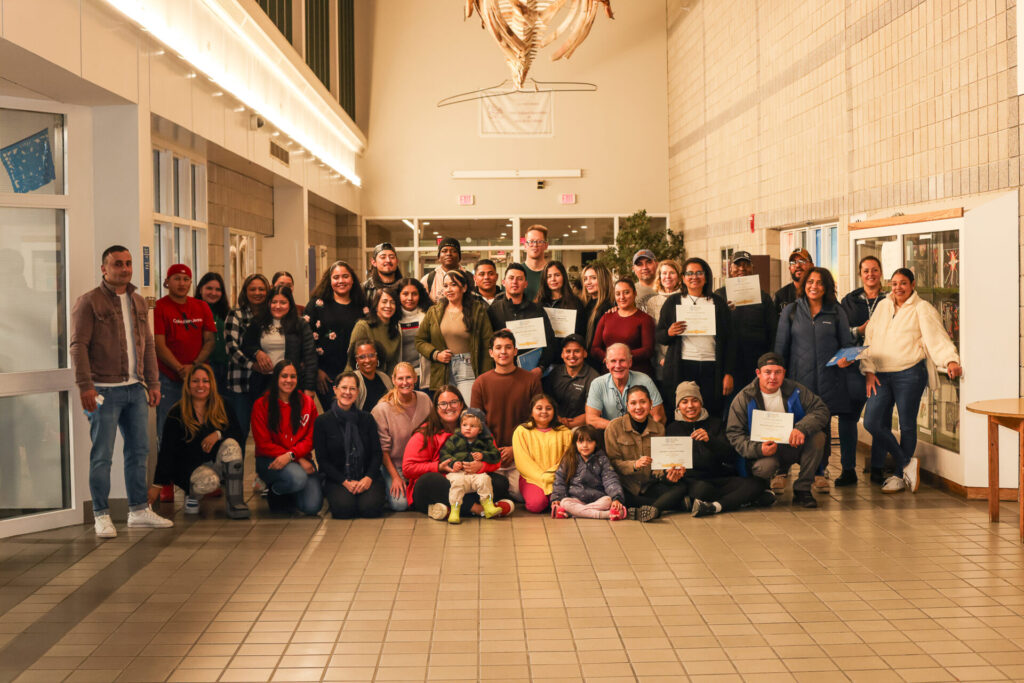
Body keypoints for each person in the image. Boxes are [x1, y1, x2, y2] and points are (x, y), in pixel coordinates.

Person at [71, 245, 174, 537]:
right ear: (104, 269)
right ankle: (101, 515)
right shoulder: (88, 302)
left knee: (139, 451)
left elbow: (149, 345)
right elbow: (78, 346)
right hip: (103, 390)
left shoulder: (139, 302)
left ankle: (139, 510)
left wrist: (153, 383)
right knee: (102, 455)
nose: (125, 268)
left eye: (128, 263)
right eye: (118, 264)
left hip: (135, 389)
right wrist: (85, 386)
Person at [862, 268, 962, 494]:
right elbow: (870, 338)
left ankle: (899, 475)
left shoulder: (922, 308)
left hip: (909, 374)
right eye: (895, 283)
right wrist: (868, 369)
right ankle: (906, 462)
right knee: (872, 422)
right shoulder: (882, 306)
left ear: (913, 284)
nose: (898, 287)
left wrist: (950, 361)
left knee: (907, 425)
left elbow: (937, 338)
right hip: (880, 375)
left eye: (903, 283)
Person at [775, 267, 854, 493]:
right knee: (789, 425)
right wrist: (778, 379)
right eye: (810, 282)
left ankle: (820, 472)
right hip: (796, 382)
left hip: (829, 380)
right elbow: (780, 349)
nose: (814, 286)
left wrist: (846, 359)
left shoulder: (836, 312)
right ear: (803, 284)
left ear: (827, 287)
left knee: (823, 427)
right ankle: (782, 470)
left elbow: (846, 345)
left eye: (820, 283)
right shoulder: (790, 311)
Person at [726, 352, 829, 508]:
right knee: (765, 467)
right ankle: (761, 490)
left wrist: (801, 428)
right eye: (767, 372)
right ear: (758, 373)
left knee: (818, 437)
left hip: (792, 445)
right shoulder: (744, 398)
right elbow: (734, 434)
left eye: (777, 372)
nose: (772, 377)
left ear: (784, 373)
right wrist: (758, 449)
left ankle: (802, 489)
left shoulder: (796, 390)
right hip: (763, 452)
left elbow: (821, 409)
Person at [149, 364, 249, 518]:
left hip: (216, 463)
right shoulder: (176, 413)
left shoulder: (223, 405)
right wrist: (157, 484)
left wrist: (218, 434)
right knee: (209, 481)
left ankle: (235, 503)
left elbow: (238, 434)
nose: (200, 385)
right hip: (189, 470)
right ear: (188, 385)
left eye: (205, 381)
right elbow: (166, 451)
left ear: (211, 384)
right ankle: (192, 495)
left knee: (232, 445)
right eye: (195, 381)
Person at [402, 386, 513, 519]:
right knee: (429, 481)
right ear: (436, 408)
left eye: (453, 402)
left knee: (500, 483)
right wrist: (437, 467)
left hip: (469, 481)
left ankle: (448, 510)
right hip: (440, 485)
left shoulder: (477, 427)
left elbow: (496, 459)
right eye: (443, 404)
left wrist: (481, 466)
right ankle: (478, 509)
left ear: (461, 404)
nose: (449, 407)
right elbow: (408, 469)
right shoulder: (425, 433)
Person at [666, 382, 773, 518]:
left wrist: (710, 441)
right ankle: (742, 500)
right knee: (703, 491)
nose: (690, 406)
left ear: (701, 403)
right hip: (694, 481)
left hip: (719, 477)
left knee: (757, 484)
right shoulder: (672, 428)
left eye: (695, 400)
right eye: (684, 402)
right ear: (678, 406)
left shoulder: (715, 424)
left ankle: (715, 506)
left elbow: (729, 455)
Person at [656, 257, 735, 418]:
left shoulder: (718, 303)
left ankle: (706, 442)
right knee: (682, 412)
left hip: (712, 367)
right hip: (682, 365)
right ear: (683, 278)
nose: (694, 277)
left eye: (699, 273)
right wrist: (669, 332)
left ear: (706, 277)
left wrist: (728, 373)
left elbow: (730, 341)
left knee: (711, 411)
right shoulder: (674, 302)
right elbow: (659, 336)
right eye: (689, 273)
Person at [471, 331, 544, 500]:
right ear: (491, 353)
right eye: (498, 348)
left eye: (508, 347)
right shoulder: (481, 383)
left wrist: (515, 449)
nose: (503, 352)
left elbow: (537, 421)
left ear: (515, 351)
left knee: (519, 495)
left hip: (521, 453)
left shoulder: (530, 380)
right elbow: (475, 425)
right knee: (487, 490)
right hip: (491, 454)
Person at [153, 264, 216, 447]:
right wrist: (180, 369)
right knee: (168, 428)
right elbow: (159, 344)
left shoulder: (201, 306)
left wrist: (194, 366)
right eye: (177, 279)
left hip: (199, 379)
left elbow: (210, 340)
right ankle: (169, 473)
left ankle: (198, 471)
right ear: (167, 282)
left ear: (190, 282)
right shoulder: (159, 307)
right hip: (169, 379)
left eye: (186, 279)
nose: (182, 283)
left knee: (200, 425)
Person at [251, 360, 323, 515]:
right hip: (270, 459)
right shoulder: (261, 404)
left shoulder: (307, 403)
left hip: (299, 458)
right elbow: (263, 444)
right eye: (284, 376)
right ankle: (275, 490)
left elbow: (311, 438)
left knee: (312, 507)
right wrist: (294, 458)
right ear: (276, 378)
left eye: (293, 376)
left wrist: (292, 456)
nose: (289, 380)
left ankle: (290, 492)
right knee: (297, 478)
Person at [837, 255, 885, 485]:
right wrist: (860, 330)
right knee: (848, 417)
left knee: (878, 419)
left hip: (883, 367)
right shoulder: (849, 300)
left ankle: (877, 467)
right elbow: (842, 331)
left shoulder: (890, 299)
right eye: (866, 271)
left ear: (880, 273)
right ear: (860, 274)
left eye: (874, 270)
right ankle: (848, 469)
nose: (870, 274)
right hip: (854, 368)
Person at [605, 385, 684, 522]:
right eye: (633, 403)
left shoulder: (659, 429)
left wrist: (669, 474)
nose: (638, 407)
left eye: (643, 402)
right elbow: (612, 463)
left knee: (681, 488)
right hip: (625, 486)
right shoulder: (614, 427)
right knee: (617, 498)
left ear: (651, 404)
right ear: (627, 405)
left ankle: (646, 510)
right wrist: (634, 464)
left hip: (649, 485)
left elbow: (659, 467)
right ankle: (661, 506)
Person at [415, 269, 494, 402]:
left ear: (464, 288)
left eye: (453, 285)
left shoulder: (477, 310)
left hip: (469, 367)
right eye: (445, 286)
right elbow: (419, 340)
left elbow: (487, 344)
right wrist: (436, 354)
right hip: (442, 369)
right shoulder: (434, 311)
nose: (449, 289)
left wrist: (485, 377)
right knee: (447, 411)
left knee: (469, 410)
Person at [315, 371, 386, 519]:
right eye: (344, 388)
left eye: (352, 388)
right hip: (339, 478)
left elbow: (377, 453)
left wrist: (368, 478)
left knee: (370, 509)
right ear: (335, 389)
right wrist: (344, 482)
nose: (348, 392)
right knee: (344, 510)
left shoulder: (367, 419)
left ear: (358, 392)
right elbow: (323, 461)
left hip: (366, 476)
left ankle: (363, 496)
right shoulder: (323, 421)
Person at [304, 260, 367, 410]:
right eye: (336, 277)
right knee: (335, 415)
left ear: (352, 279)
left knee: (355, 414)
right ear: (329, 280)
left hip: (356, 371)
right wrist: (316, 370)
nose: (341, 281)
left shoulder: (362, 305)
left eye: (345, 276)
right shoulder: (316, 304)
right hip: (325, 375)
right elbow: (305, 340)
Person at [371, 362, 432, 512]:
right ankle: (386, 484)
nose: (405, 382)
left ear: (415, 379)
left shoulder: (424, 399)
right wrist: (396, 478)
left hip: (420, 463)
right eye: (400, 378)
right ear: (393, 380)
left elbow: (433, 432)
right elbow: (383, 451)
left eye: (408, 378)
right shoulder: (382, 409)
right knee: (400, 505)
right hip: (395, 465)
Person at [713, 251, 777, 391]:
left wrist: (770, 361)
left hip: (756, 362)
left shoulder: (764, 297)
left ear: (752, 269)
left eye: (746, 265)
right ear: (730, 269)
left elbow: (773, 331)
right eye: (737, 265)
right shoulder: (719, 295)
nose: (741, 269)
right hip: (728, 363)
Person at [241, 285, 317, 398]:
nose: (278, 306)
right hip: (263, 383)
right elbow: (246, 345)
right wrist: (257, 352)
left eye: (283, 302)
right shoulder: (258, 322)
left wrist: (309, 387)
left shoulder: (300, 325)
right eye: (274, 302)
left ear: (290, 304)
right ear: (268, 303)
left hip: (291, 382)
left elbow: (310, 357)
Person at [224, 273, 270, 453]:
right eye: (253, 289)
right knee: (239, 432)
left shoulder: (272, 314)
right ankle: (234, 477)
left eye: (261, 289)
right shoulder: (235, 314)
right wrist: (253, 365)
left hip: (266, 384)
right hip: (240, 384)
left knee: (266, 434)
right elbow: (231, 348)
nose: (257, 293)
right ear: (245, 292)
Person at [487, 263, 557, 372]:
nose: (515, 282)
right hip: (503, 373)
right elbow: (486, 343)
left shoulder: (537, 310)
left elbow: (551, 343)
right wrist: (497, 336)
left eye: (519, 279)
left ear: (525, 284)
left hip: (533, 374)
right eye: (511, 278)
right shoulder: (493, 311)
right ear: (504, 282)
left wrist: (541, 368)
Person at [437, 411, 504, 523]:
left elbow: (496, 455)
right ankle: (455, 510)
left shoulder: (485, 441)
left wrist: (483, 456)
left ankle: (488, 506)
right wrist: (453, 463)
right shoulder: (454, 439)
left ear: (480, 429)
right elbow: (444, 454)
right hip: (458, 473)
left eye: (472, 426)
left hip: (476, 474)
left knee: (485, 480)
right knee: (457, 484)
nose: (468, 428)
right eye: (465, 425)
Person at [550, 424, 627, 520]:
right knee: (564, 502)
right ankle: (603, 515)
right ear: (575, 443)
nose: (585, 445)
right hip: (576, 499)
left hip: (598, 500)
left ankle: (572, 513)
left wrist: (616, 498)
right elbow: (560, 479)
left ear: (596, 443)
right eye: (580, 441)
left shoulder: (602, 459)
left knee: (608, 500)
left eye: (589, 441)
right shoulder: (569, 459)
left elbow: (611, 479)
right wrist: (557, 498)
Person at [512, 394, 574, 513]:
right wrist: (543, 477)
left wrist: (552, 476)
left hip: (558, 478)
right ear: (531, 412)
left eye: (548, 408)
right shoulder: (521, 431)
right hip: (531, 478)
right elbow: (523, 462)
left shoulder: (565, 432)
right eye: (539, 408)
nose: (544, 412)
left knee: (565, 502)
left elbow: (567, 459)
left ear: (554, 411)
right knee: (536, 505)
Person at [585, 344, 666, 427]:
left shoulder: (644, 380)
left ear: (630, 362)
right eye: (613, 361)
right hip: (611, 435)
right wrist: (621, 430)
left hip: (642, 434)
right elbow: (591, 419)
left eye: (622, 360)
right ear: (607, 364)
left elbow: (658, 417)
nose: (618, 366)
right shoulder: (597, 384)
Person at [590, 278, 656, 376]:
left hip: (636, 373)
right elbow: (595, 348)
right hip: (610, 372)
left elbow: (648, 350)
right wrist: (609, 358)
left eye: (626, 292)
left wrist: (621, 357)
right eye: (618, 294)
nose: (622, 297)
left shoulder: (645, 319)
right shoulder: (606, 317)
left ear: (635, 293)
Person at [543, 334, 600, 428]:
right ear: (562, 354)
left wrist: (567, 424)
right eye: (568, 351)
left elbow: (592, 414)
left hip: (582, 427)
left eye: (577, 351)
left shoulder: (593, 378)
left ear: (585, 353)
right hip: (554, 423)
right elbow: (546, 402)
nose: (572, 355)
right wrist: (557, 419)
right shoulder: (554, 373)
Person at [348, 288, 401, 374]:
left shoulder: (395, 332)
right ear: (376, 305)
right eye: (384, 302)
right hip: (359, 378)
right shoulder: (363, 326)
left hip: (383, 379)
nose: (388, 306)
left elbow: (392, 364)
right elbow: (351, 360)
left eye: (392, 302)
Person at [644, 259, 682, 381]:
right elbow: (652, 333)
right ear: (659, 277)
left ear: (679, 276)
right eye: (664, 273)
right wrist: (660, 357)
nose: (668, 276)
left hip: (683, 357)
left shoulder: (686, 299)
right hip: (661, 360)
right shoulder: (652, 302)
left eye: (672, 273)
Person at [195, 272, 231, 392]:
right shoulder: (193, 311)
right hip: (204, 366)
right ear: (200, 289)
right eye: (209, 288)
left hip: (226, 367)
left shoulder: (226, 313)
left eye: (218, 289)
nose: (213, 293)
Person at [395, 277, 431, 387]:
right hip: (401, 377)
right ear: (398, 295)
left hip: (424, 375)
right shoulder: (392, 317)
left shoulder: (429, 315)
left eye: (414, 294)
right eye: (405, 294)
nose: (410, 298)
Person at [580, 262, 615, 367]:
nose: (588, 282)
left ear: (603, 280)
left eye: (593, 278)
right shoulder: (586, 305)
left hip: (599, 364)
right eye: (585, 279)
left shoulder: (608, 308)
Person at [422, 236, 474, 302]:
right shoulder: (428, 279)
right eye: (444, 251)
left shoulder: (470, 278)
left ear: (459, 257)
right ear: (439, 257)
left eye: (453, 251)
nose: (449, 254)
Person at [347, 340, 394, 411]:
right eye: (362, 357)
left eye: (371, 355)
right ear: (356, 360)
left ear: (377, 357)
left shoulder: (385, 378)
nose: (367, 360)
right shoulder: (351, 381)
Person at [773, 248, 812, 315]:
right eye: (793, 263)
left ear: (811, 265)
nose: (797, 265)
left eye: (802, 261)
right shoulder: (781, 296)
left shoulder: (818, 293)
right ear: (790, 268)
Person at [522, 224, 551, 301]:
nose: (535, 245)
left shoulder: (553, 273)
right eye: (531, 241)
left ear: (546, 245)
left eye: (539, 242)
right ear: (525, 245)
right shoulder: (517, 272)